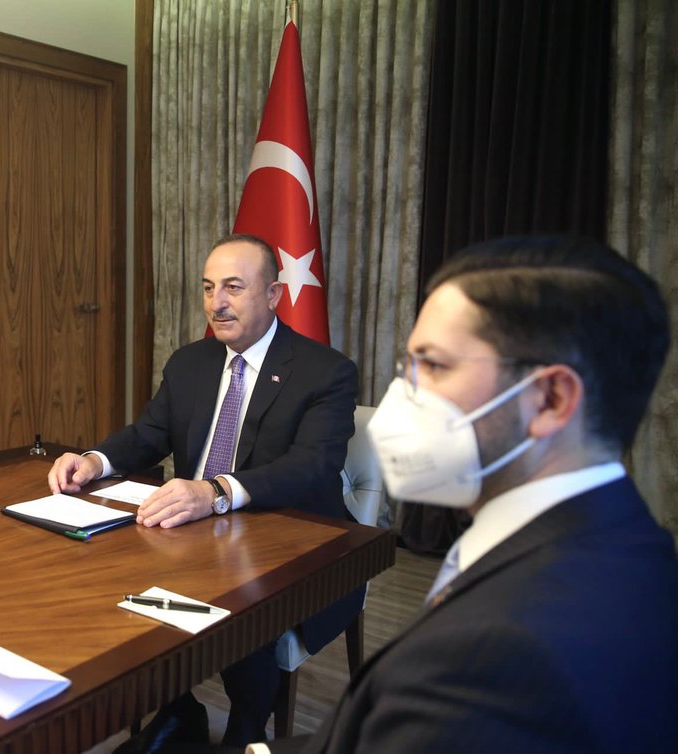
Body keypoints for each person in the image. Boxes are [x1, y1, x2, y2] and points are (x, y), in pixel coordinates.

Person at [246, 235, 678, 754]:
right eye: (409, 367)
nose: (402, 396)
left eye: (434, 366)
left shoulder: (505, 650)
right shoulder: (623, 537)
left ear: (549, 399)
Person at [48, 233, 363, 746]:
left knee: (247, 610)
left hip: (286, 538)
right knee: (106, 582)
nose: (216, 303)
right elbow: (149, 435)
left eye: (233, 287)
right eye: (208, 287)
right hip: (192, 535)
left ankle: (244, 732)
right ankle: (177, 711)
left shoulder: (325, 372)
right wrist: (93, 460)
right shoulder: (190, 363)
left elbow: (314, 466)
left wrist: (215, 490)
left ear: (273, 295)